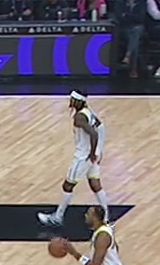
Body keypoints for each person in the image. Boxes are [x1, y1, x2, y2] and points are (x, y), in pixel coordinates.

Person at [39, 90, 109, 226]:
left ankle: (57, 217)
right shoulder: (89, 112)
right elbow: (101, 128)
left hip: (83, 157)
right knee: (95, 185)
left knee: (67, 186)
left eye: (72, 99)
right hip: (91, 157)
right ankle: (105, 217)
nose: (70, 101)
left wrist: (93, 153)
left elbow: (94, 134)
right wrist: (98, 152)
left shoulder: (79, 117)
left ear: (78, 101)